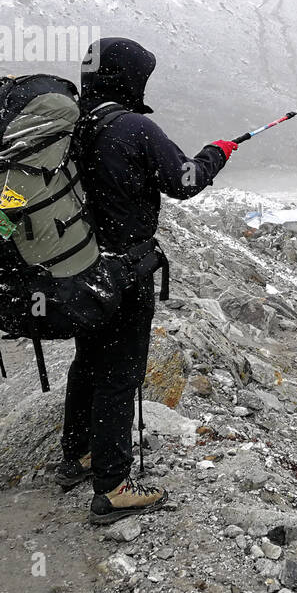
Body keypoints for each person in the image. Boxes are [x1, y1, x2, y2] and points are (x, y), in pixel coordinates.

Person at [55, 38, 238, 525]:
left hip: (77, 269)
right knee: (120, 375)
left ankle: (77, 455)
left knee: (87, 361)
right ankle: (113, 487)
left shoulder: (70, 123)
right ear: (129, 77)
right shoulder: (133, 127)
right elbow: (184, 181)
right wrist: (215, 153)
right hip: (123, 273)